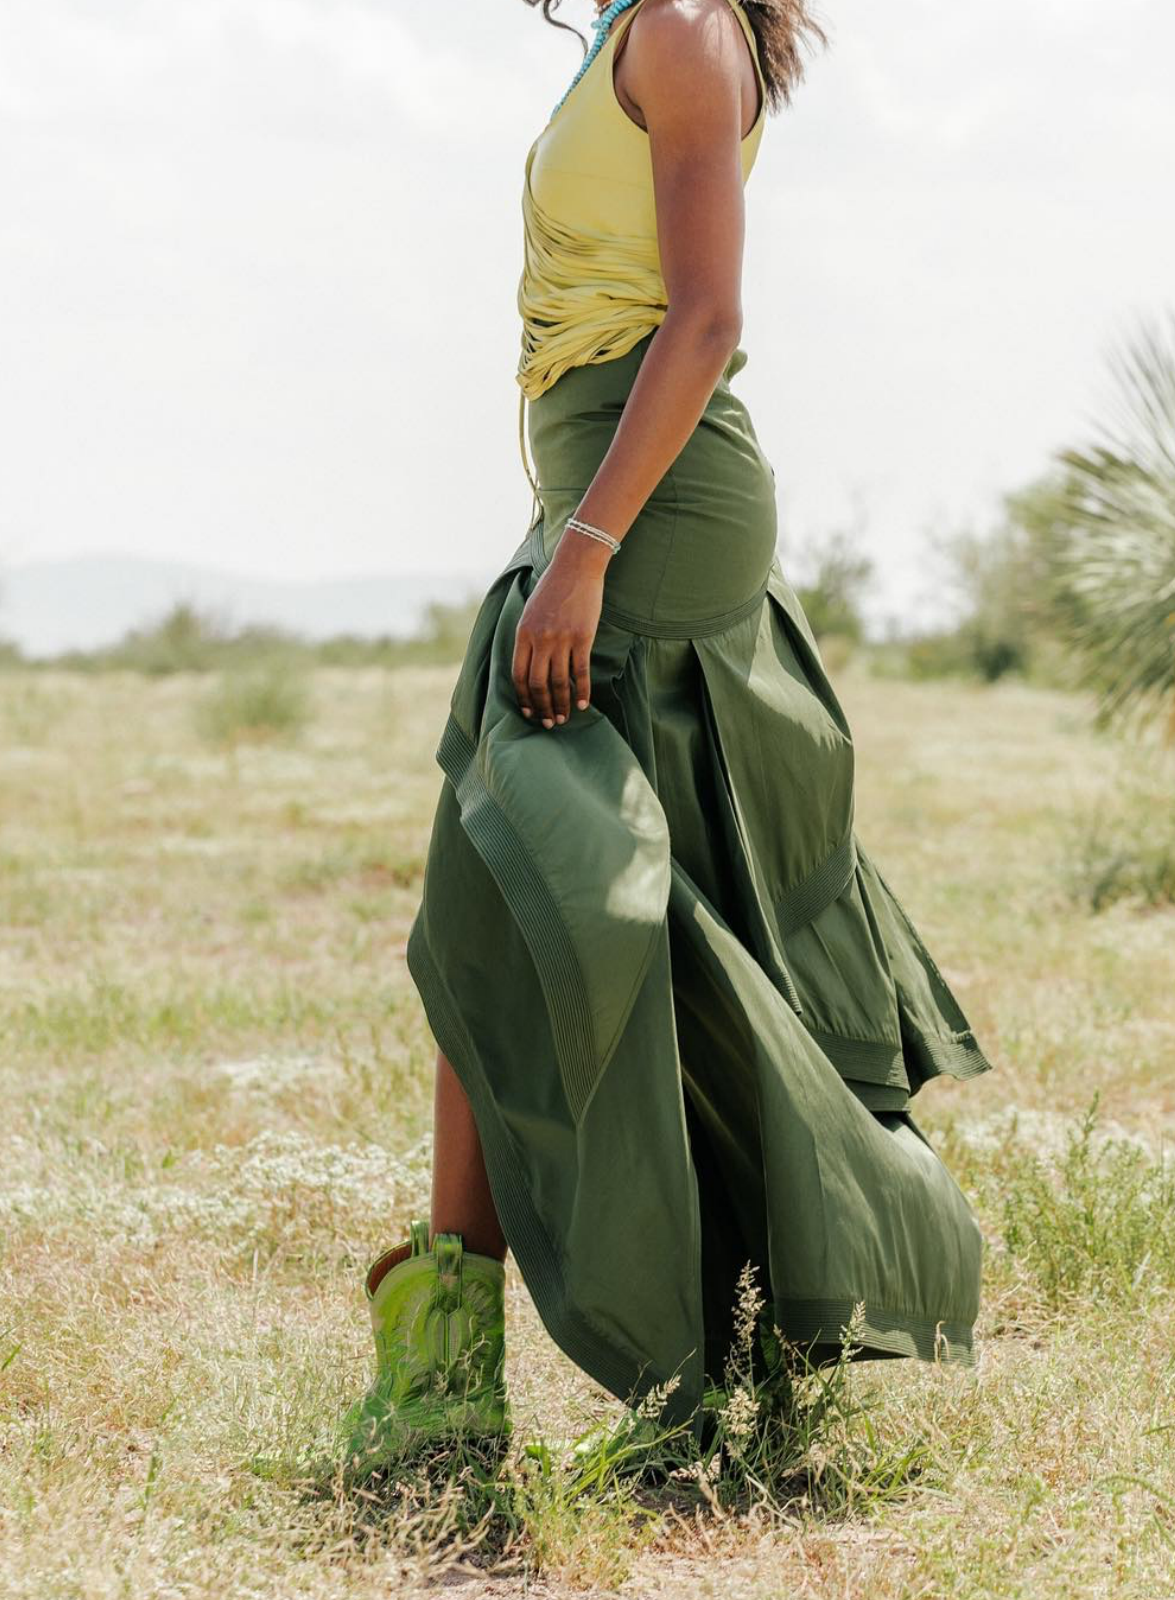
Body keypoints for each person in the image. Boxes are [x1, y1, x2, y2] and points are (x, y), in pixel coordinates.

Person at [332, 0, 994, 1477]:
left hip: (644, 518)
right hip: (605, 503)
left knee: (511, 893)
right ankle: (660, 1367)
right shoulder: (639, 25)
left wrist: (583, 548)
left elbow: (705, 317)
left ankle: (466, 1379)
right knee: (616, 920)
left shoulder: (686, 27)